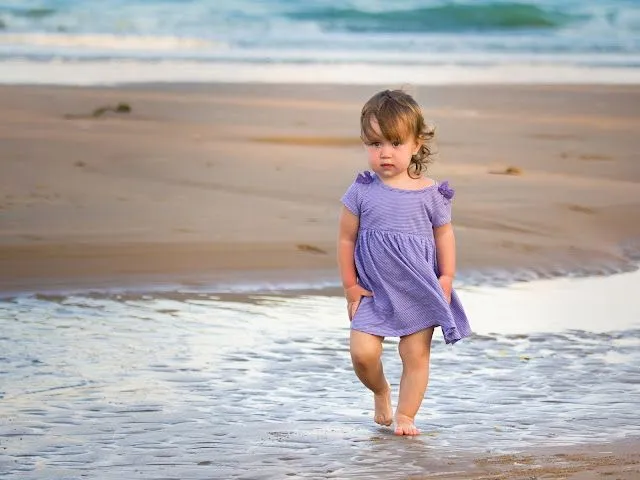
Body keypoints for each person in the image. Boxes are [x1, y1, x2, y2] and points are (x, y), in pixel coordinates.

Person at [337, 89, 471, 436]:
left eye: (395, 143)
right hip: (374, 290)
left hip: (418, 287)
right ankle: (381, 391)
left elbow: (444, 235)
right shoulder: (362, 191)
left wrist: (447, 276)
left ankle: (406, 416)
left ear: (416, 144)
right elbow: (346, 239)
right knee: (363, 353)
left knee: (415, 356)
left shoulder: (431, 194)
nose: (384, 153)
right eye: (375, 143)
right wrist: (351, 287)